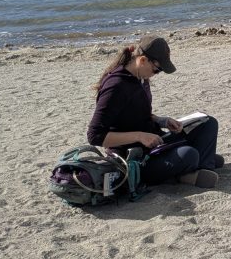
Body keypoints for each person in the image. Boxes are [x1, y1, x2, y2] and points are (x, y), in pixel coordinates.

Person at [87, 35, 222, 189]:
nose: (156, 73)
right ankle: (195, 167)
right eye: (157, 69)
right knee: (189, 154)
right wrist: (140, 136)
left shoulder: (141, 78)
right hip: (135, 158)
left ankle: (199, 167)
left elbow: (135, 113)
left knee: (208, 123)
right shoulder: (116, 87)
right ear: (142, 60)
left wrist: (162, 121)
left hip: (155, 143)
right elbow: (94, 136)